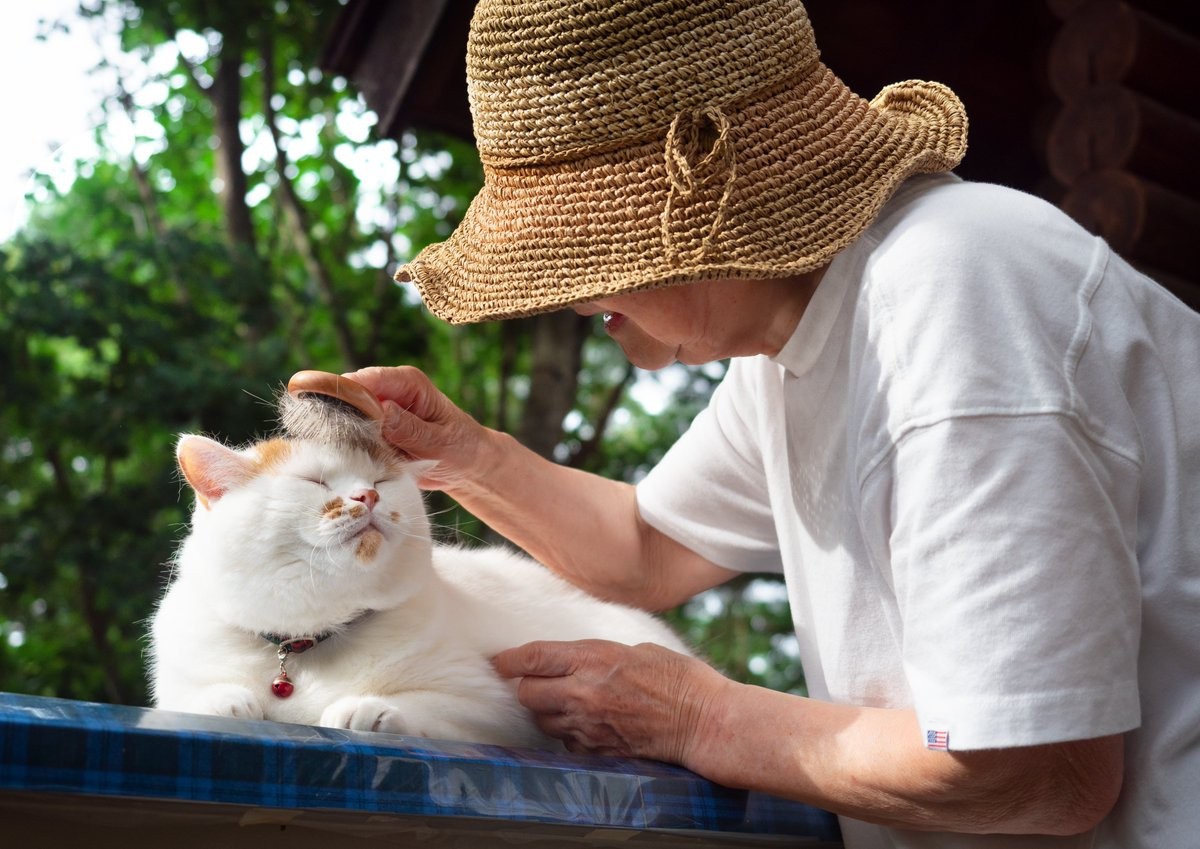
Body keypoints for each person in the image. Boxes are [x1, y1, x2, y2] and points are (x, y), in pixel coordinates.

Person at [348, 1, 1200, 846]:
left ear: (695, 200)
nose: (571, 296)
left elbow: (1033, 766)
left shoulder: (954, 293)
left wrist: (700, 718)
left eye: (580, 251)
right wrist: (460, 455)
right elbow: (644, 549)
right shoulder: (797, 339)